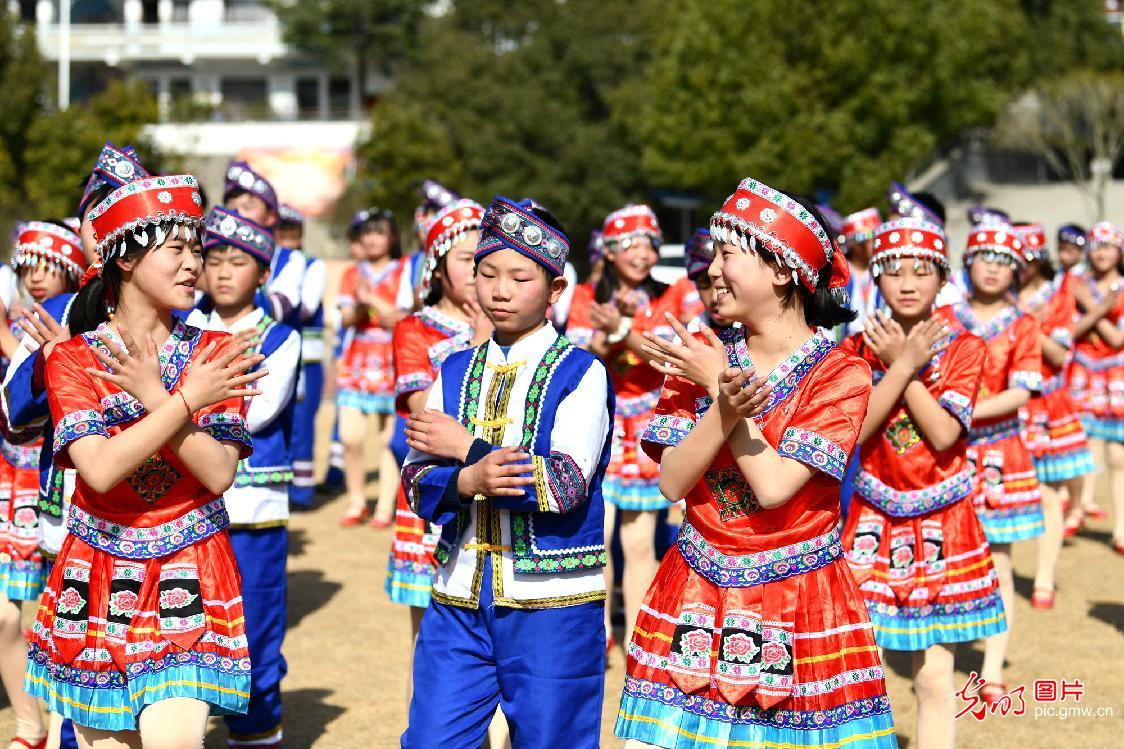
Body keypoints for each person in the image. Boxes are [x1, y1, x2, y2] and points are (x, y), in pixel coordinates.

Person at [615, 177, 895, 749]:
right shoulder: (704, 352)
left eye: (728, 254)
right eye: (713, 254)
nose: (712, 270)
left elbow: (773, 487)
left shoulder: (841, 373)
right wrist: (719, 398)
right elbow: (671, 482)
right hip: (695, 583)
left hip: (797, 595)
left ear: (783, 269)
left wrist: (720, 394)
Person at [25, 174, 266, 747]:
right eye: (175, 249)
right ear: (125, 259)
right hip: (97, 571)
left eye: (196, 251)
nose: (194, 266)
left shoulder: (216, 352)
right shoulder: (73, 359)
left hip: (190, 562)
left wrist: (157, 396)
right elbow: (101, 469)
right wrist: (184, 401)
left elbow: (218, 472)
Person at [400, 196, 612, 748]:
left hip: (555, 602)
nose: (499, 289)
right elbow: (415, 478)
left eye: (519, 277)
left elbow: (566, 484)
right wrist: (469, 480)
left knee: (552, 741)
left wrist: (468, 449)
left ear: (556, 290)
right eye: (487, 272)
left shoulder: (582, 373)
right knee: (431, 739)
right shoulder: (453, 369)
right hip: (457, 592)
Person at [2, 142, 153, 749]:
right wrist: (55, 360)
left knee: (148, 648)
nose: (103, 229)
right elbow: (14, 412)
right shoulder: (59, 309)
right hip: (74, 511)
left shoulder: (177, 312)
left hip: (160, 512)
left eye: (120, 213)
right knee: (78, 653)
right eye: (93, 216)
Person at [841, 217, 1005, 749]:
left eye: (922, 271)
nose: (908, 283)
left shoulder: (965, 348)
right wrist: (899, 363)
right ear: (876, 278)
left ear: (942, 278)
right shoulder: (855, 348)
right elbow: (853, 433)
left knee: (935, 676)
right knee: (868, 669)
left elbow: (941, 433)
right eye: (893, 271)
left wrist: (902, 368)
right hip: (872, 518)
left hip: (942, 520)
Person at [192, 207, 301, 749]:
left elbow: (253, 414)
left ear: (263, 273)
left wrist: (182, 401)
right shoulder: (183, 328)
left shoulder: (282, 337)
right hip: (184, 511)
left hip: (255, 510)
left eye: (239, 262)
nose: (224, 272)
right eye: (214, 260)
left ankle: (255, 731)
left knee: (255, 630)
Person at [387, 199, 489, 668]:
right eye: (467, 260)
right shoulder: (412, 330)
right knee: (425, 644)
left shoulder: (516, 329)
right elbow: (419, 413)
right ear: (436, 266)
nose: (479, 269)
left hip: (493, 493)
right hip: (434, 494)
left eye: (485, 258)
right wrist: (473, 344)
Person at [567, 203, 673, 650]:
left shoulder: (675, 293)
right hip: (600, 422)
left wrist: (624, 328)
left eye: (649, 243)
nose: (642, 253)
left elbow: (671, 357)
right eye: (630, 244)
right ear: (609, 252)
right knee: (597, 533)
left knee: (640, 539)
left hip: (649, 424)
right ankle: (600, 633)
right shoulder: (584, 297)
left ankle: (637, 638)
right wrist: (604, 333)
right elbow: (575, 363)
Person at [0, 221, 86, 749]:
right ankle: (28, 723)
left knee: (58, 621)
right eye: (28, 266)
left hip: (54, 484)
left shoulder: (77, 322)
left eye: (49, 267)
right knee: (5, 615)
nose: (36, 279)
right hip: (10, 480)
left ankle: (54, 731)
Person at [954, 224, 1044, 705]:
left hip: (997, 454)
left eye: (1003, 259)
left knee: (1000, 565)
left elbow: (1022, 390)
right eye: (984, 256)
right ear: (968, 261)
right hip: (942, 449)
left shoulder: (1022, 324)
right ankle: (936, 647)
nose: (992, 266)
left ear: (1016, 269)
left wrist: (957, 409)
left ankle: (991, 667)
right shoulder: (944, 315)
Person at [1014, 222, 1095, 606]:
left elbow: (1060, 355)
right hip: (1003, 410)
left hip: (1045, 403)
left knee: (1047, 493)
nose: (1019, 268)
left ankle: (1044, 579)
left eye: (1026, 260)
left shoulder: (1059, 296)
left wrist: (1026, 321)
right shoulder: (995, 295)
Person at [335, 209, 408, 527]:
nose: (372, 239)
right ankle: (356, 501)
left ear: (392, 237)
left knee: (388, 439)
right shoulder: (351, 273)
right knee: (350, 437)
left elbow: (401, 319)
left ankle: (383, 506)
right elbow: (346, 318)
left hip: (394, 358)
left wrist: (371, 300)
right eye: (367, 233)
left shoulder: (404, 271)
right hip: (357, 358)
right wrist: (360, 304)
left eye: (379, 232)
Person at [1069, 221, 1124, 555]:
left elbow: (1118, 339)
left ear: (1119, 251)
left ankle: (1121, 529)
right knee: (1082, 447)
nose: (1103, 252)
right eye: (1097, 245)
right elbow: (1070, 331)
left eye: (1109, 245)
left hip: (1117, 376)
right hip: (1082, 373)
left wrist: (1093, 306)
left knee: (1119, 457)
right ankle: (1078, 507)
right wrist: (1099, 308)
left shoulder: (1094, 290)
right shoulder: (1075, 284)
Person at [276, 204, 326, 510]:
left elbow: (305, 306)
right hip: (281, 353)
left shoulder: (311, 265)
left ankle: (303, 492)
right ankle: (283, 485)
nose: (285, 239)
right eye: (280, 233)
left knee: (302, 424)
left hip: (307, 357)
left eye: (291, 233)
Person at [839, 207, 882, 335]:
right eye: (868, 240)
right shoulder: (839, 276)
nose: (875, 244)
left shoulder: (882, 272)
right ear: (853, 244)